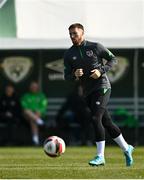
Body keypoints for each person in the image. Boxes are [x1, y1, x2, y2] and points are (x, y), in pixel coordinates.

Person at [63, 23, 134, 166]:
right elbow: (66, 76)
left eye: (75, 33)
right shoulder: (69, 54)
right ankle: (127, 148)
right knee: (106, 122)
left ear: (82, 33)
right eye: (70, 34)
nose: (72, 36)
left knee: (95, 119)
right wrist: (74, 74)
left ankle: (100, 156)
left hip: (102, 87)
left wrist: (100, 71)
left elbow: (113, 59)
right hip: (88, 92)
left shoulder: (95, 47)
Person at [21, 81, 48, 145]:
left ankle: (35, 139)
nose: (33, 88)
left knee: (33, 120)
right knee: (27, 111)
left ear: (37, 87)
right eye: (32, 87)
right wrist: (33, 112)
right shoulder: (26, 96)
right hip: (27, 116)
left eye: (35, 87)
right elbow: (24, 106)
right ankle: (38, 121)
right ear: (30, 88)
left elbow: (44, 106)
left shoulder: (41, 96)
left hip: (38, 115)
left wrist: (39, 111)